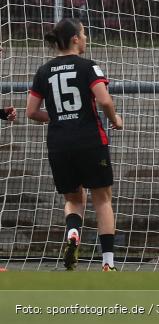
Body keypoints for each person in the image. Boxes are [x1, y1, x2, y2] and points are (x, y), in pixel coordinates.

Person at [26, 17, 124, 271]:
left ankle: (72, 233)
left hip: (59, 144)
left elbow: (31, 111)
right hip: (89, 140)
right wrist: (115, 119)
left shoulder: (43, 71)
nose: (86, 38)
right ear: (75, 39)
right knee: (102, 199)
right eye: (84, 33)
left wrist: (57, 117)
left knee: (73, 198)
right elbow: (104, 100)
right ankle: (108, 263)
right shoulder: (88, 66)